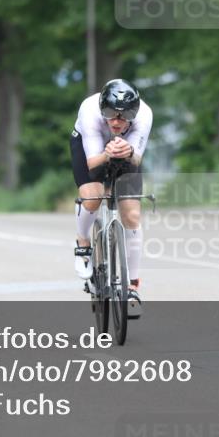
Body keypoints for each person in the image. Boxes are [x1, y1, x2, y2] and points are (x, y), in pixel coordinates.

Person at [70, 78, 152, 314]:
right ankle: (83, 242)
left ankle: (133, 284)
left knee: (132, 215)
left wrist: (128, 152)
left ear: (134, 114)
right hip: (90, 147)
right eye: (110, 114)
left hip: (126, 149)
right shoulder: (89, 112)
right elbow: (93, 165)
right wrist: (107, 155)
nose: (116, 122)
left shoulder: (145, 115)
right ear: (101, 109)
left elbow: (136, 160)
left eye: (123, 116)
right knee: (93, 197)